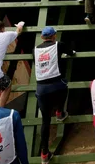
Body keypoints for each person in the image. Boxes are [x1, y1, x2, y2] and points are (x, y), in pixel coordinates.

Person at [34, 26, 76, 163]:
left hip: (41, 88)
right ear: (54, 36)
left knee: (45, 121)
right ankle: (59, 112)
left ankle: (44, 153)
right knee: (65, 86)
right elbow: (71, 53)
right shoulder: (58, 45)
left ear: (42, 37)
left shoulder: (35, 49)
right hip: (56, 85)